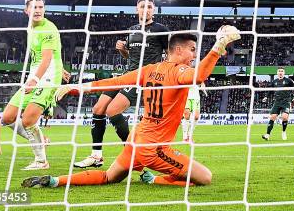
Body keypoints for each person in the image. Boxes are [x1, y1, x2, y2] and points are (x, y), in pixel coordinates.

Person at [21, 26, 240, 189]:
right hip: (154, 149)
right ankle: (155, 179)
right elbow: (200, 75)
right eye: (192, 50)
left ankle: (54, 181)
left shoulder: (148, 69)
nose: (194, 56)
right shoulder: (178, 71)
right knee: (204, 177)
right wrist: (218, 46)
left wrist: (76, 87)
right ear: (179, 49)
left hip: (137, 139)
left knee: (110, 176)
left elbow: (113, 82)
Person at [75, 0, 169, 168]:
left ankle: (134, 154)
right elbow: (130, 56)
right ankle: (96, 156)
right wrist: (123, 50)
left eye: (149, 7)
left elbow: (170, 54)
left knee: (112, 110)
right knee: (98, 109)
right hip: (127, 74)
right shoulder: (132, 29)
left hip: (143, 78)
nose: (145, 10)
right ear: (137, 9)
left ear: (153, 10)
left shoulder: (160, 29)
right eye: (142, 6)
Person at [2, 0, 66, 170]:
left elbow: (46, 58)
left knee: (28, 120)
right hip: (36, 75)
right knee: (7, 117)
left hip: (47, 77)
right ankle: (40, 140)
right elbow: (45, 55)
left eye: (40, 7)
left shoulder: (48, 28)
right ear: (26, 11)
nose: (38, 10)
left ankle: (41, 161)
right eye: (34, 7)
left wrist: (35, 79)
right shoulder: (30, 28)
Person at [262, 68, 294, 141]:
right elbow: (270, 91)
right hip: (277, 102)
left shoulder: (288, 81)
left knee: (285, 117)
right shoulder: (274, 81)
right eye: (279, 71)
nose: (280, 72)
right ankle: (267, 135)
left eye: (282, 71)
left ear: (284, 73)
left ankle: (283, 132)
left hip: (286, 101)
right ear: (277, 73)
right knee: (273, 117)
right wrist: (266, 97)